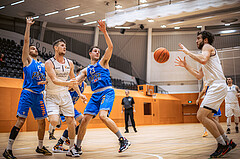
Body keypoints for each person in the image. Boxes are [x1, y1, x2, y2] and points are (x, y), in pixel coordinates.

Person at [175, 31, 236, 158]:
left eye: (198, 38)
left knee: (201, 115)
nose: (196, 41)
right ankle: (227, 141)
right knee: (211, 117)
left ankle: (222, 145)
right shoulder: (206, 55)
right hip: (217, 86)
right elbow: (198, 76)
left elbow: (203, 59)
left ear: (206, 40)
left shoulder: (207, 48)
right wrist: (186, 66)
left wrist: (187, 52)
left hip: (217, 86)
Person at [75, 20, 131, 154]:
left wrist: (104, 31)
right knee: (84, 120)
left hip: (107, 91)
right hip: (95, 95)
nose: (97, 53)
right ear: (90, 53)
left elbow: (110, 47)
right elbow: (76, 81)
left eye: (98, 51)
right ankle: (77, 147)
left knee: (102, 116)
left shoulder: (103, 62)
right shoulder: (86, 70)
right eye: (95, 51)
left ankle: (123, 139)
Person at [2, 17, 52, 159]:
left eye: (35, 48)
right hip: (28, 93)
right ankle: (8, 149)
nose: (34, 49)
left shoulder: (42, 65)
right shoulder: (27, 61)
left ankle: (40, 147)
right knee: (21, 121)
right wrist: (28, 26)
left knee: (42, 122)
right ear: (28, 52)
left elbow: (48, 80)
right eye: (32, 48)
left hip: (39, 95)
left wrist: (46, 83)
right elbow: (26, 42)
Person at [44, 38, 87, 157]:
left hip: (65, 95)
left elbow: (74, 80)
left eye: (65, 46)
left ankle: (72, 148)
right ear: (55, 48)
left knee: (72, 122)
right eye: (62, 45)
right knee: (54, 121)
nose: (64, 47)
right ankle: (54, 116)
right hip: (52, 95)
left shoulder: (70, 63)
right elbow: (54, 80)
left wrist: (80, 94)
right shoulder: (49, 63)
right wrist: (68, 84)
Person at [52, 67, 87, 153]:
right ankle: (58, 145)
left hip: (72, 107)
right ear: (77, 75)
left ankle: (67, 138)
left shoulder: (84, 85)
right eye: (82, 75)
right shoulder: (72, 83)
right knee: (73, 124)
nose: (84, 77)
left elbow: (79, 95)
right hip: (64, 106)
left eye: (85, 76)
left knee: (83, 121)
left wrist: (82, 98)